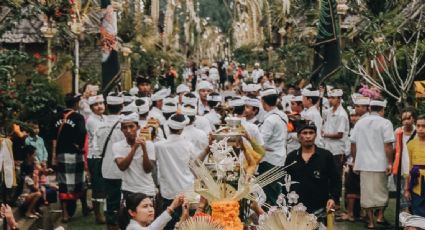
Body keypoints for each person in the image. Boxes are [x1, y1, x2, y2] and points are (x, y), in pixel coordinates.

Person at [154, 114, 209, 229]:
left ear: (168, 127)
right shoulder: (187, 145)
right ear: (182, 129)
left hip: (168, 193)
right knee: (187, 226)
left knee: (169, 224)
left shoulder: (159, 146)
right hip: (186, 191)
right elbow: (196, 165)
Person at [350, 100, 394, 229]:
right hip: (380, 164)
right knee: (382, 192)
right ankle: (380, 216)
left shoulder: (360, 123)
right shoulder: (386, 123)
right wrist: (390, 162)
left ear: (370, 108)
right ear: (382, 109)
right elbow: (388, 145)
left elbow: (353, 144)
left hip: (364, 163)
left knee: (367, 193)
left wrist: (354, 160)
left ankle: (370, 222)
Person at [284, 121, 341, 216]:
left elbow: (336, 179)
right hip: (296, 209)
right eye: (304, 133)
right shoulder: (291, 157)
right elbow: (285, 181)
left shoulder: (326, 156)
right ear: (298, 136)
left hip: (320, 208)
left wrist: (333, 198)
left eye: (311, 133)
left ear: (315, 135)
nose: (308, 136)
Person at [52, 93, 88, 222]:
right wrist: (78, 146)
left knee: (64, 184)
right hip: (75, 154)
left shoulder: (56, 117)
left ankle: (65, 214)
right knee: (80, 181)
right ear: (76, 103)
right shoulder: (78, 117)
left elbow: (52, 136)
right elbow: (82, 132)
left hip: (61, 154)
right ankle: (84, 206)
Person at [97, 93, 125, 230]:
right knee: (125, 203)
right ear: (122, 106)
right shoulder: (125, 125)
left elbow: (97, 150)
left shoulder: (100, 125)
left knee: (111, 203)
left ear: (107, 107)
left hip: (107, 169)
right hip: (123, 169)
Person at [113, 113, 156, 199]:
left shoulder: (149, 144)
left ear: (138, 127)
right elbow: (122, 167)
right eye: (125, 128)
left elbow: (148, 169)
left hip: (146, 189)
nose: (128, 130)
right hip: (128, 189)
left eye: (131, 127)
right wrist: (134, 148)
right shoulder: (117, 145)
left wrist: (144, 148)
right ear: (121, 130)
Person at [258, 88, 288, 206]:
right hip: (280, 157)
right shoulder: (282, 115)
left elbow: (261, 142)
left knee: (269, 195)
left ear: (263, 102)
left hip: (269, 160)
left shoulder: (270, 120)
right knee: (276, 191)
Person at [321, 89, 349, 208]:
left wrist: (324, 134)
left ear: (339, 99)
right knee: (328, 174)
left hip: (337, 149)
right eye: (330, 97)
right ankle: (330, 198)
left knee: (336, 176)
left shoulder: (342, 114)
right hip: (328, 148)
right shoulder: (329, 111)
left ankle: (336, 202)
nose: (330, 100)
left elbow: (340, 134)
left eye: (333, 98)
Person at [86, 95, 107, 224]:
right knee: (97, 186)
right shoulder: (91, 120)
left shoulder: (104, 118)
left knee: (105, 185)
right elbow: (100, 137)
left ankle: (104, 211)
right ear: (91, 107)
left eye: (101, 103)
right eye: (96, 104)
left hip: (104, 155)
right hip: (95, 156)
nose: (100, 106)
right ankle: (98, 215)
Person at [393, 107, 417, 212]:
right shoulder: (398, 132)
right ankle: (405, 220)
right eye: (404, 118)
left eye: (409, 118)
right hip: (401, 168)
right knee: (402, 194)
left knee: (414, 194)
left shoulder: (418, 131)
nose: (406, 121)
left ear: (414, 119)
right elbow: (394, 149)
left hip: (414, 169)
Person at [405, 115, 425, 217]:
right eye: (418, 126)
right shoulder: (411, 144)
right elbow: (408, 167)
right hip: (417, 180)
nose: (420, 129)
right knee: (417, 207)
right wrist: (407, 188)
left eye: (423, 126)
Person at [18, 145, 42, 219]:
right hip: (22, 199)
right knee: (38, 193)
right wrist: (37, 179)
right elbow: (36, 188)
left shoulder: (30, 165)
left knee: (39, 191)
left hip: (26, 196)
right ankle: (28, 212)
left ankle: (33, 210)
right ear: (29, 155)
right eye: (34, 154)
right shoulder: (27, 177)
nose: (35, 156)